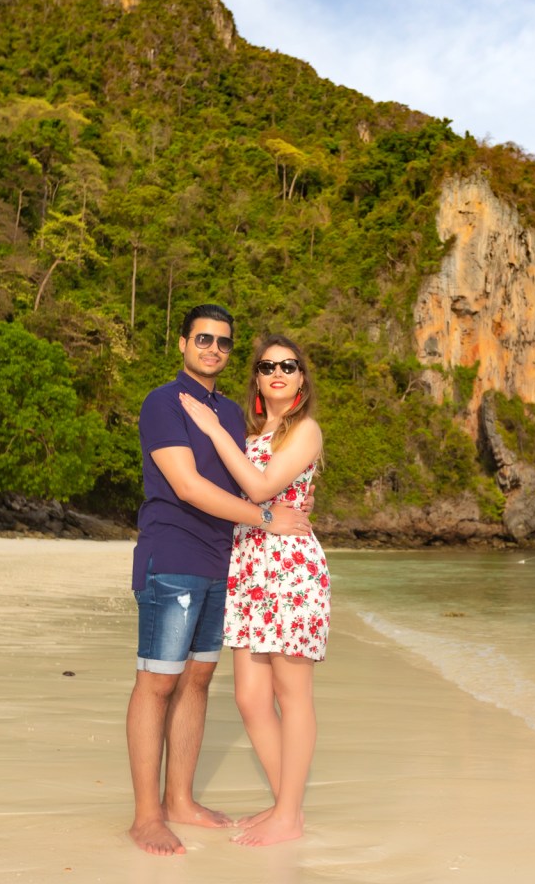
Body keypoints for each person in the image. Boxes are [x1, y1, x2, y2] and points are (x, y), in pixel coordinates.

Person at [127, 305, 313, 857]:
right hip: (174, 552)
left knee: (198, 681)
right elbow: (185, 485)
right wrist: (264, 519)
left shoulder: (232, 414)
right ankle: (146, 815)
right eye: (203, 338)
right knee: (157, 681)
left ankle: (181, 800)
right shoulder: (164, 402)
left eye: (224, 343)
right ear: (183, 342)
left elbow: (262, 470)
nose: (213, 348)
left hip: (224, 562)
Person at [178, 333, 328, 847]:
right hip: (248, 566)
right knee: (249, 698)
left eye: (289, 365)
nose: (278, 372)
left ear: (301, 379)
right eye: (267, 367)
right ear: (258, 380)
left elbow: (262, 489)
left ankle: (289, 813)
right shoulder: (249, 433)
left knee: (293, 695)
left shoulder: (305, 431)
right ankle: (287, 805)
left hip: (290, 568)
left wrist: (212, 431)